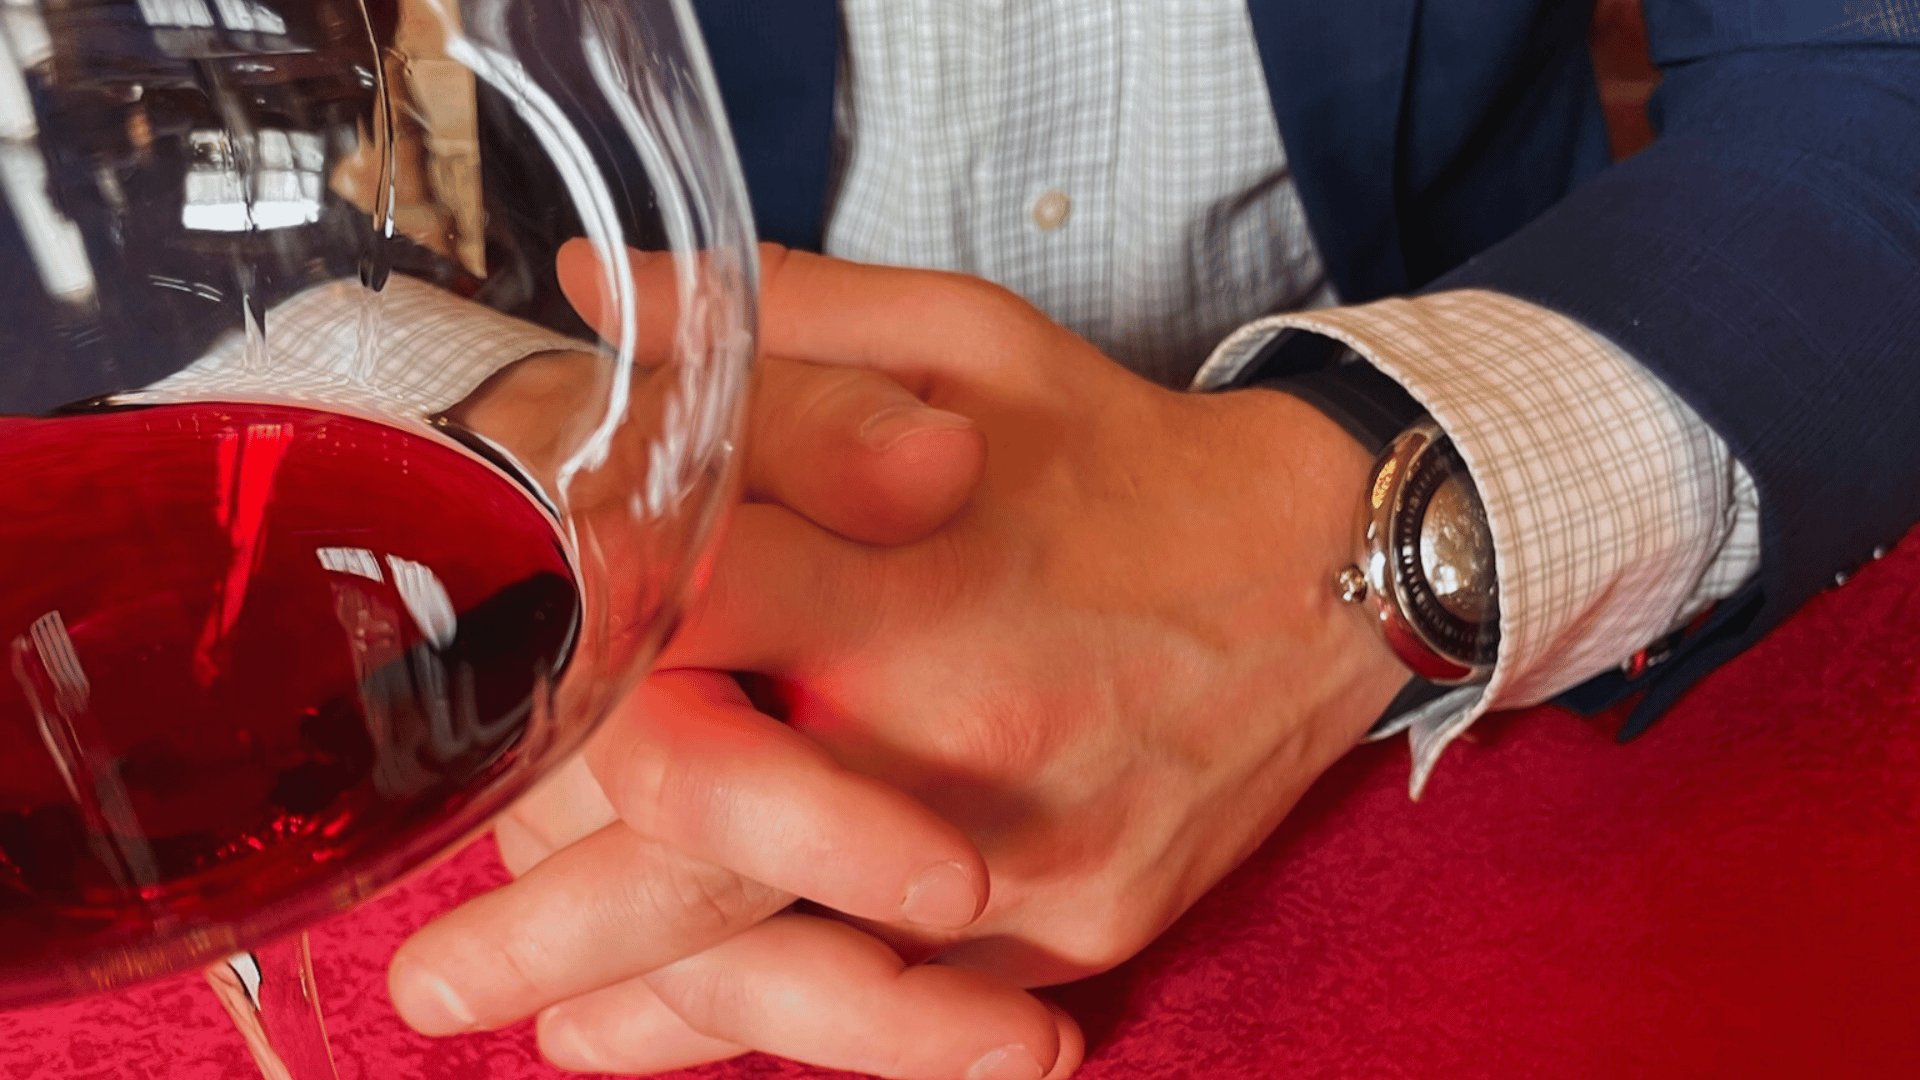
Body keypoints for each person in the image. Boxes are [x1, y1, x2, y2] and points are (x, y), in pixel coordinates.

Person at [385, 2, 1920, 1078]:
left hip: (1503, 682)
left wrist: (1349, 533)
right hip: (671, 597)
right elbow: (241, 134)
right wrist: (535, 451)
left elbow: (1872, 65)